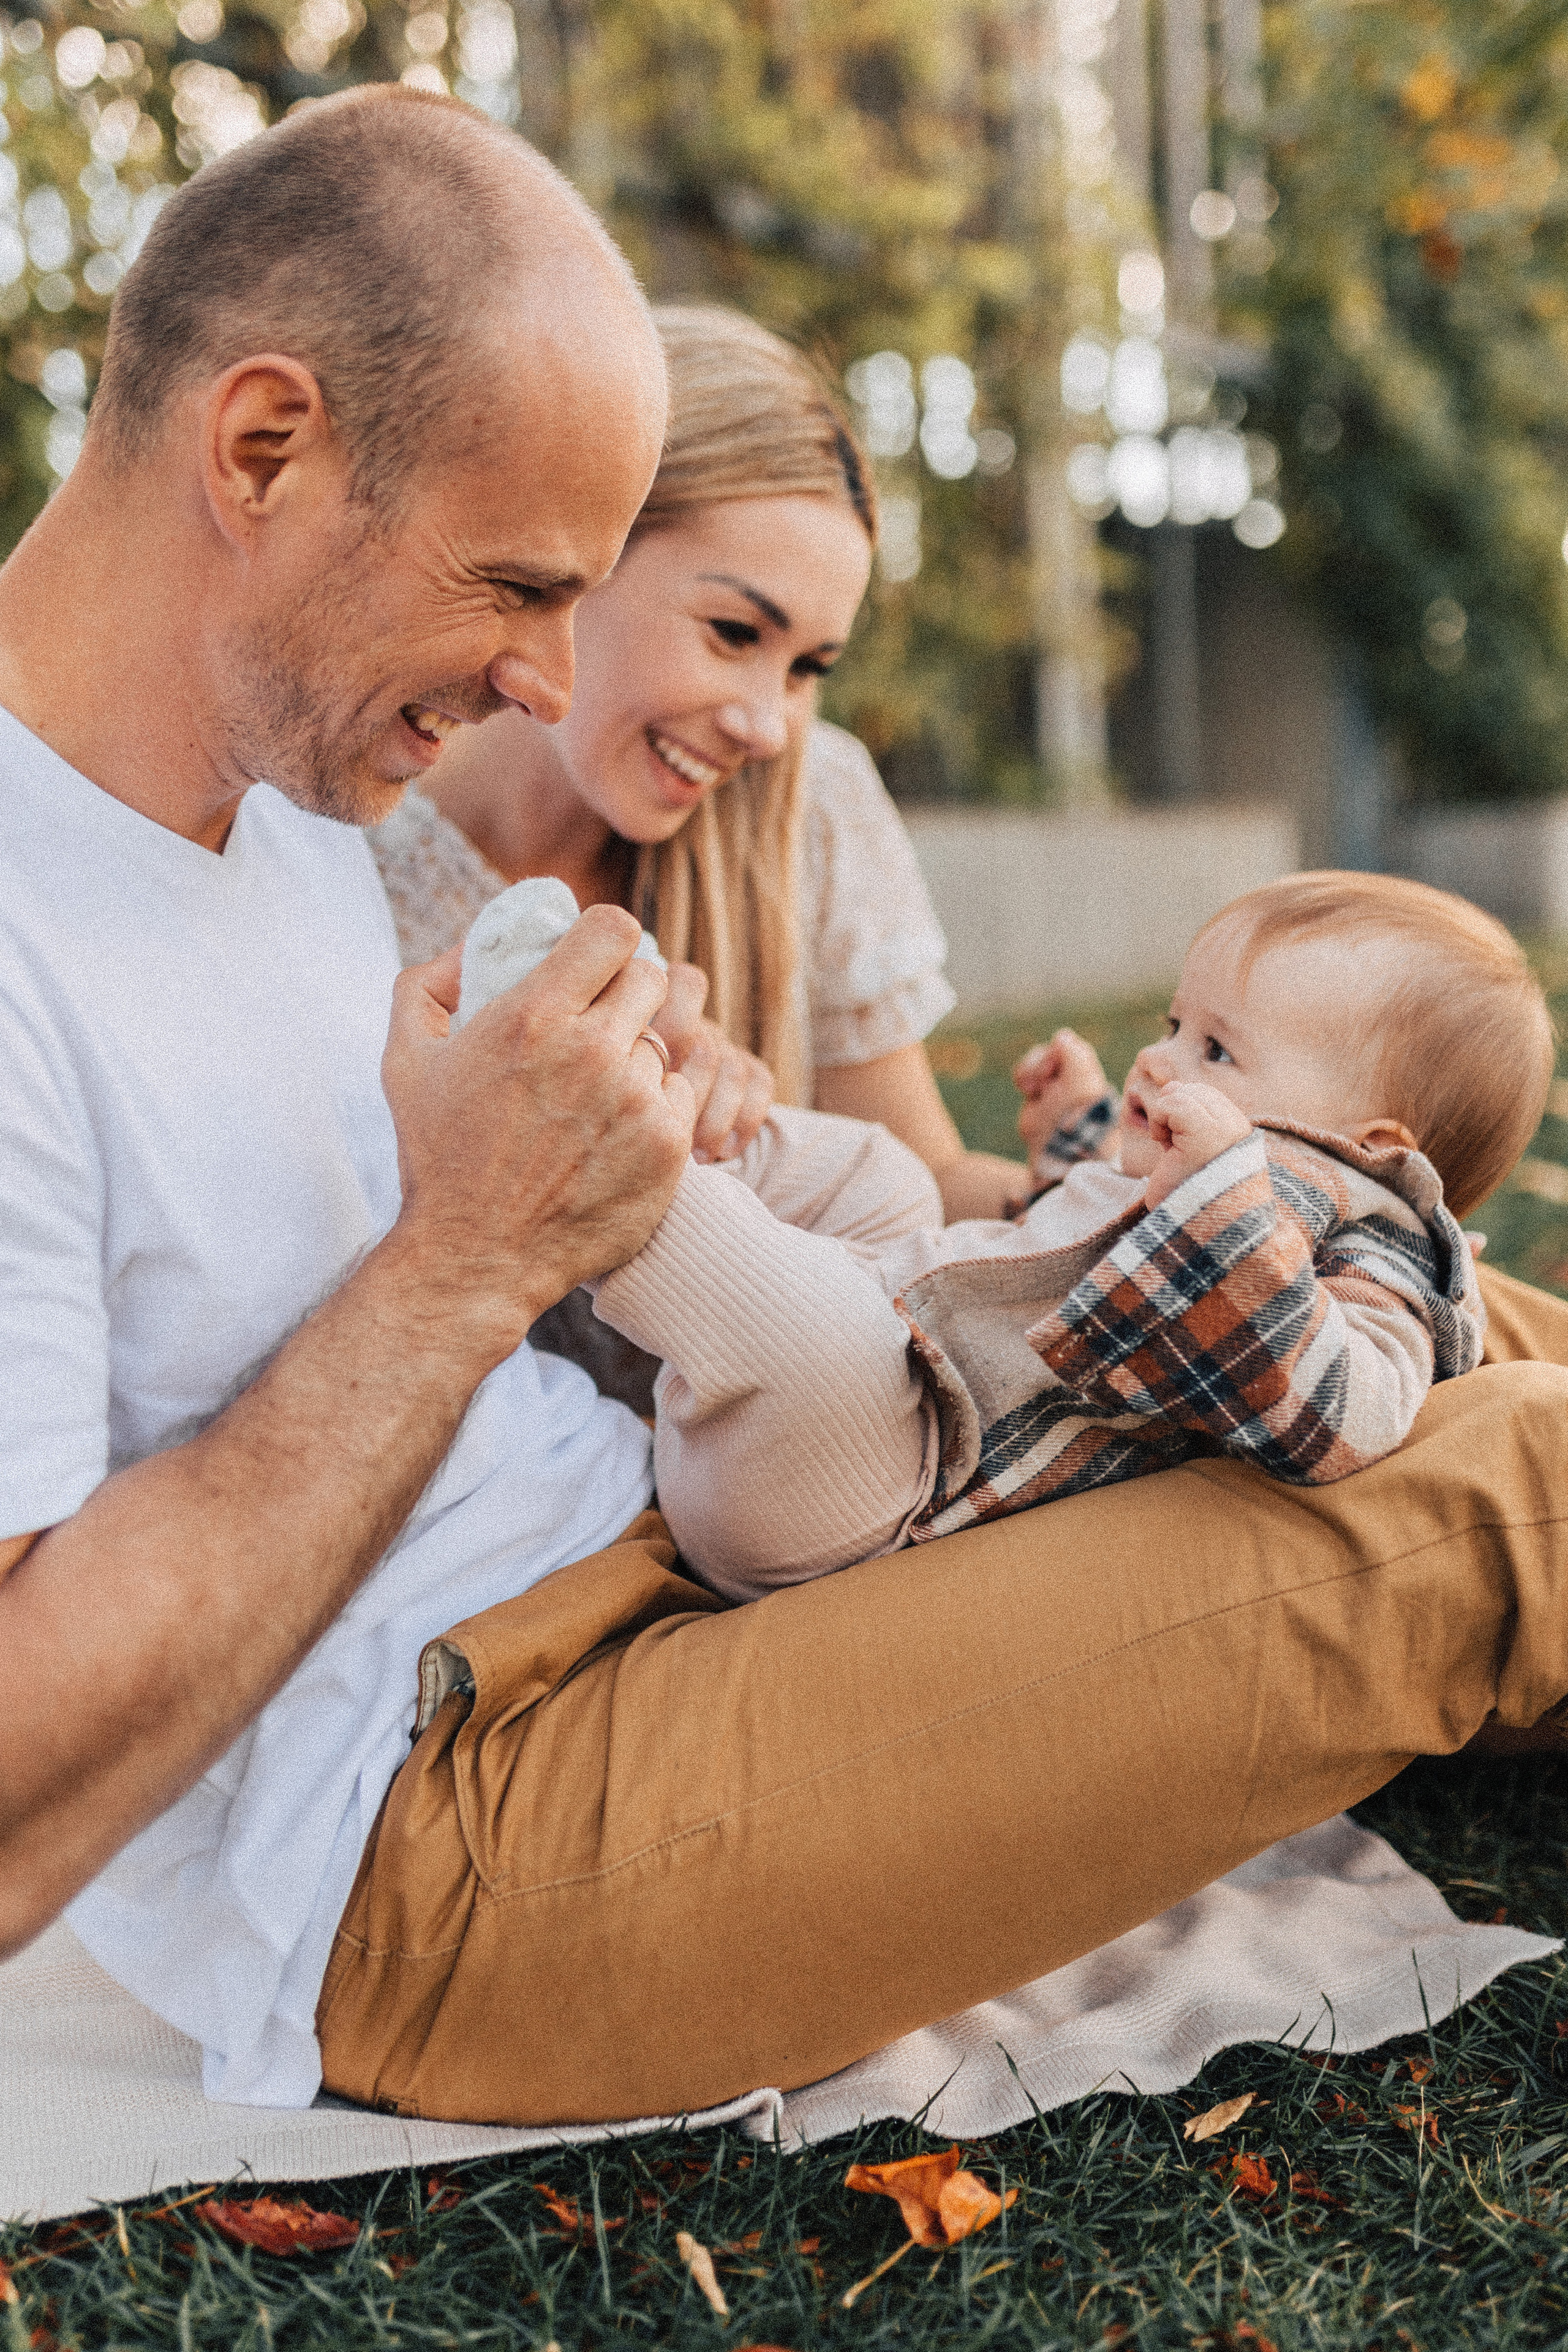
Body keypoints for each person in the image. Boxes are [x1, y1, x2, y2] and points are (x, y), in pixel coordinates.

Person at [4, 92, 1568, 2133]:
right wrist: (480, 1249)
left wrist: (637, 1108)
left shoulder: (285, 815)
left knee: (1438, 1297)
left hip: (679, 1548)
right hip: (432, 1842)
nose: (548, 677)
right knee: (1498, 1496)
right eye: (513, 585)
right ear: (267, 445)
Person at [584, 873, 1550, 1594]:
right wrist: (1086, 1128)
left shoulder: (1375, 1250)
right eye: (1175, 1023)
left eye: (1215, 1048)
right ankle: (689, 1132)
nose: (1161, 1057)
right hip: (878, 1370)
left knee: (821, 1331)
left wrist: (1225, 1205)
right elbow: (1086, 1236)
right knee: (884, 1175)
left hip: (885, 1486)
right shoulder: (1219, 1158)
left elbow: (1341, 1412)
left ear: (1366, 1145)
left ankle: (601, 1141)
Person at [368, 304, 1025, 1219]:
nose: (767, 727)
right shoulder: (344, 839)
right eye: (733, 632)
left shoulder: (812, 802)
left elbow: (929, 1186)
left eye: (808, 668)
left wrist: (1108, 1204)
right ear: (577, 554)